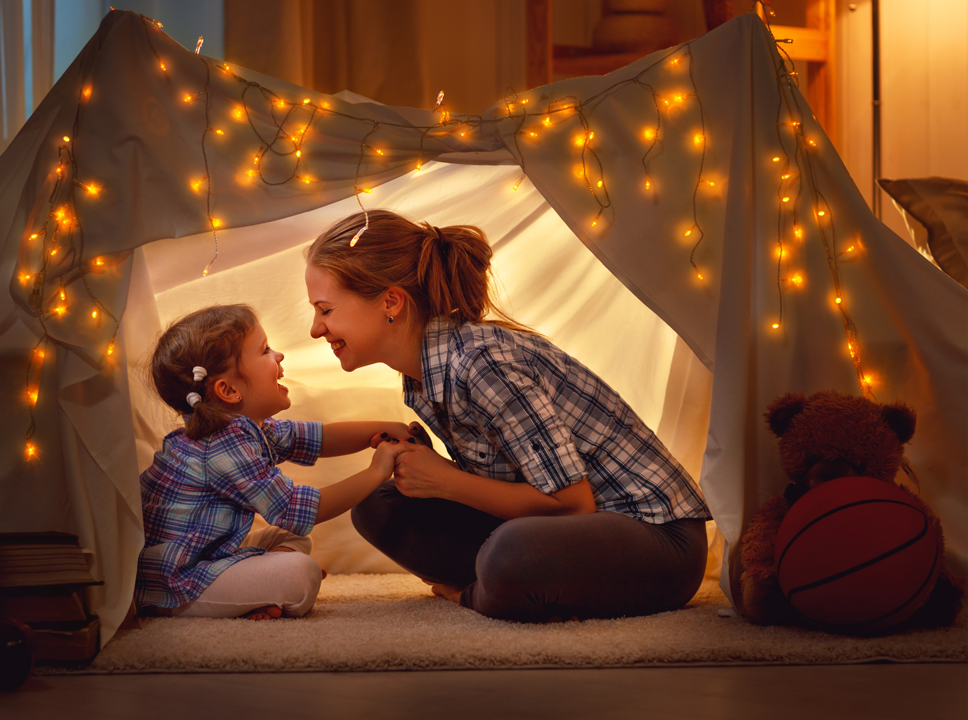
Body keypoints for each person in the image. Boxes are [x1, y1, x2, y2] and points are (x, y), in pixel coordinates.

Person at [304, 210, 711, 622]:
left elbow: (572, 505)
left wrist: (446, 480)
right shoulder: (423, 377)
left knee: (512, 553)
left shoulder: (482, 363)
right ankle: (508, 585)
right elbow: (514, 483)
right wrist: (431, 473)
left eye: (325, 310)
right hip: (564, 532)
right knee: (378, 504)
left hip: (656, 541)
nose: (316, 330)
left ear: (390, 302)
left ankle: (478, 594)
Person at [137, 304, 416, 620]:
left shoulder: (244, 429)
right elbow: (294, 509)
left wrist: (379, 430)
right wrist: (377, 472)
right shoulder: (219, 446)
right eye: (265, 350)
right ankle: (258, 589)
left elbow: (317, 438)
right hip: (176, 581)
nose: (279, 355)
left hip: (206, 555)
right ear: (228, 390)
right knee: (301, 574)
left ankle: (257, 591)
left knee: (289, 539)